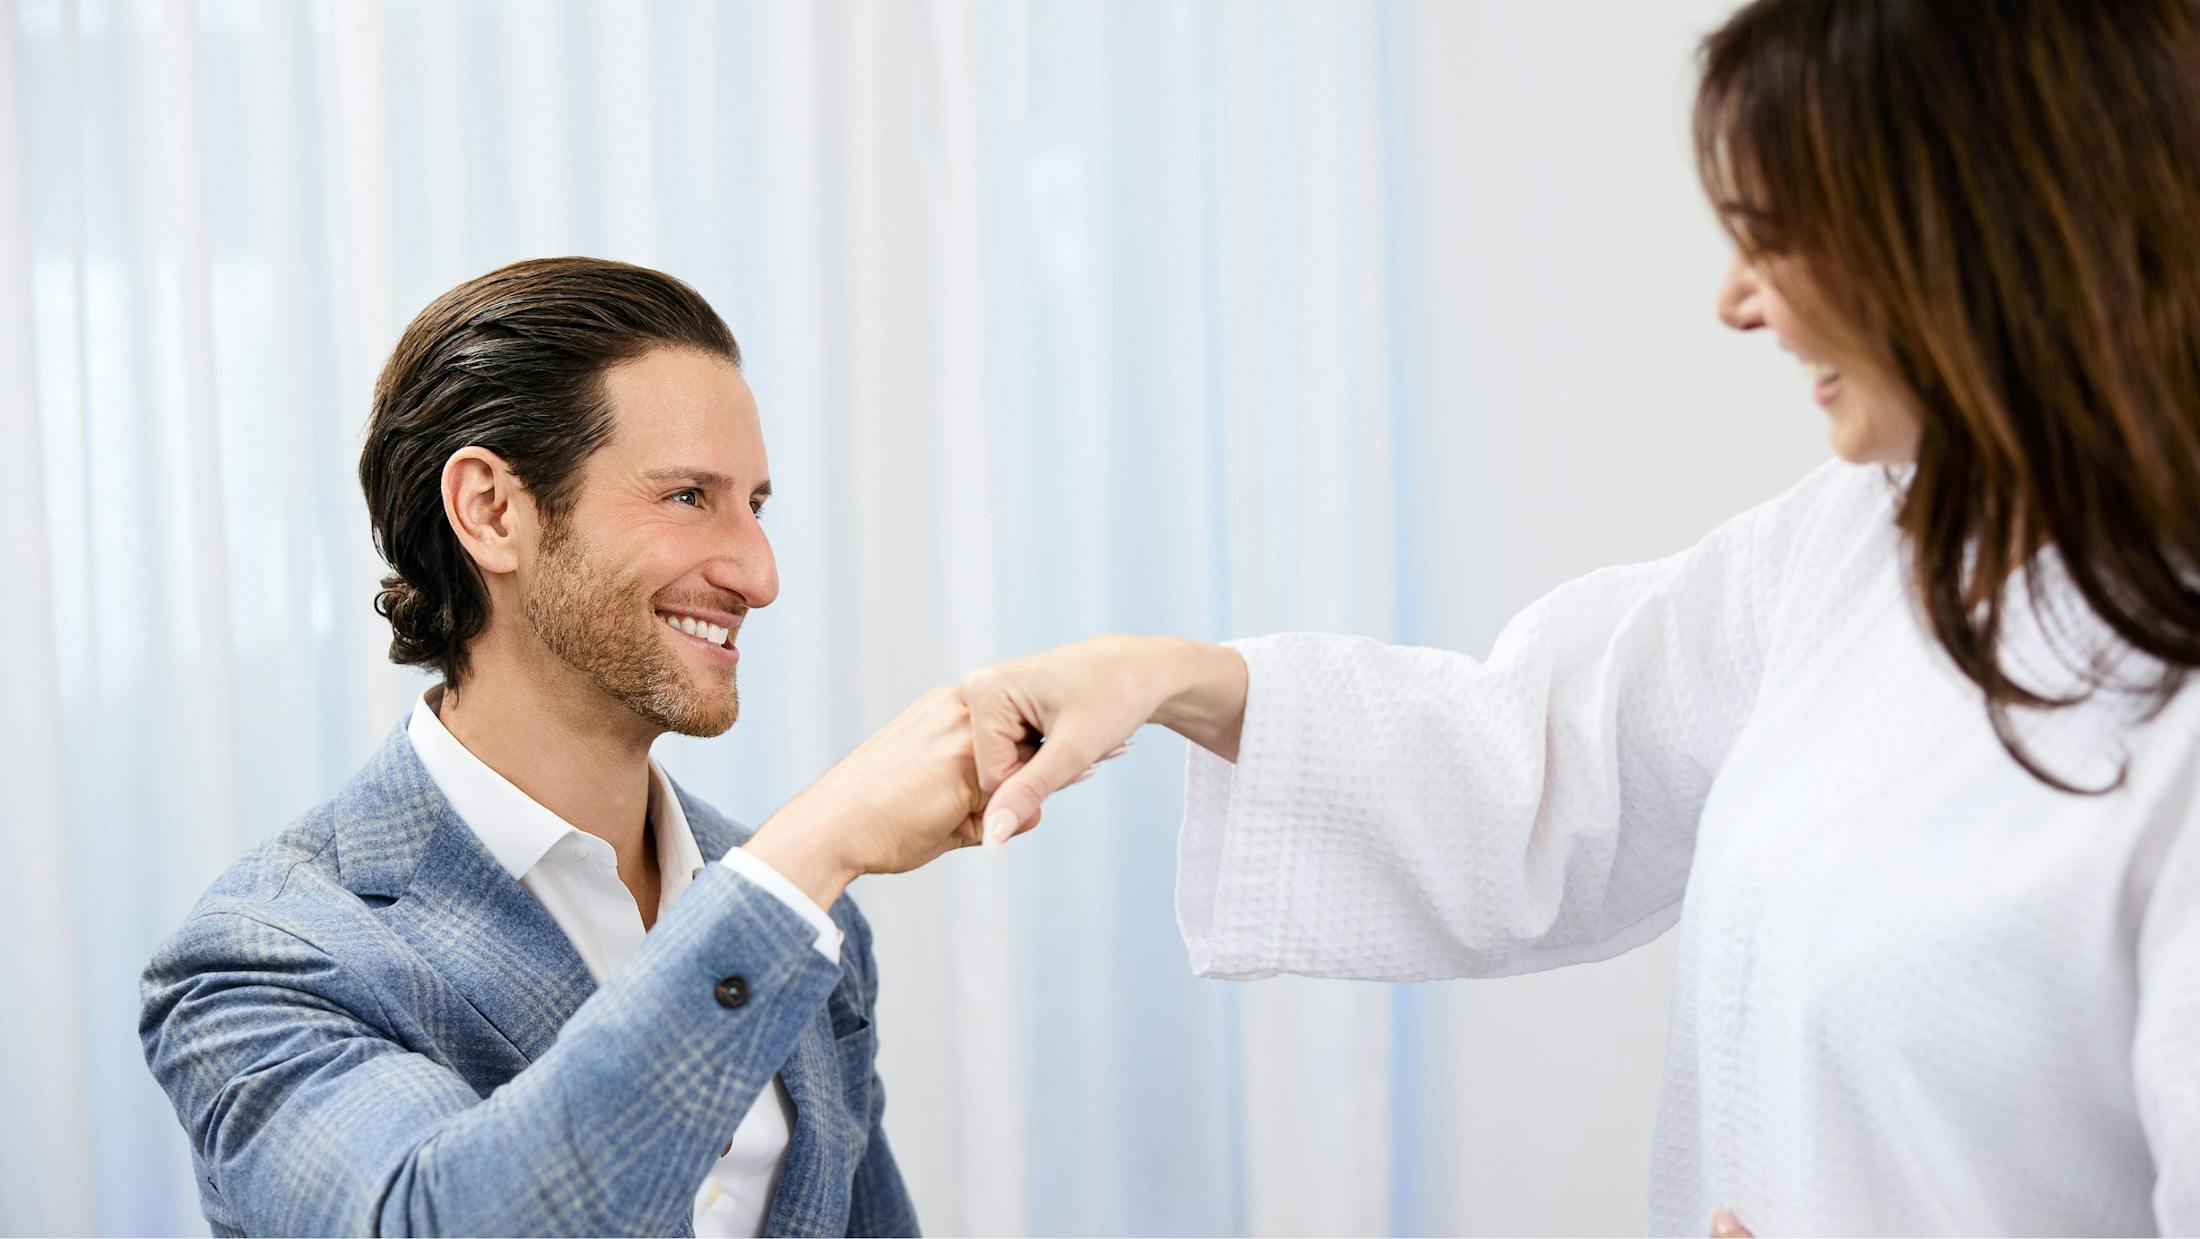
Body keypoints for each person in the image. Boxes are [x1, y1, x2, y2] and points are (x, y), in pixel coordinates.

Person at [957, 0, 2200, 1233]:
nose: (1736, 303)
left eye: (1778, 239)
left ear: (1982, 232)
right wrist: (1162, 678)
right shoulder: (1868, 536)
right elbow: (1547, 761)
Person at [139, 258, 1001, 1236]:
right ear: (492, 511)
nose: (759, 574)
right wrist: (806, 856)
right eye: (687, 496)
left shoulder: (805, 911)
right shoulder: (266, 957)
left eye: (753, 506)